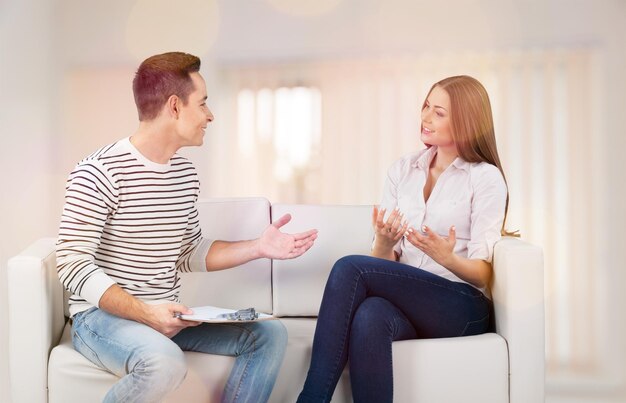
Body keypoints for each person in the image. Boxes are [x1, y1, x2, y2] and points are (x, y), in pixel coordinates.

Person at [56, 51, 318, 403]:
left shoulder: (184, 174)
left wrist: (258, 247)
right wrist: (147, 312)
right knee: (164, 363)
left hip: (163, 313)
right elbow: (71, 264)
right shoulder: (99, 172)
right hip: (101, 319)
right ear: (175, 107)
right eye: (204, 103)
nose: (210, 116)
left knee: (269, 336)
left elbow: (187, 251)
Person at [296, 75, 511, 403]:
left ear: (467, 122)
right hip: (410, 303)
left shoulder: (485, 178)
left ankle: (310, 399)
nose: (425, 117)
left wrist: (447, 258)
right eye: (426, 106)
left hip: (462, 305)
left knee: (350, 268)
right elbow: (385, 269)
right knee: (371, 316)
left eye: (439, 112)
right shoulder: (403, 170)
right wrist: (383, 242)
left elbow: (483, 273)